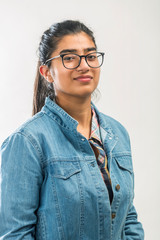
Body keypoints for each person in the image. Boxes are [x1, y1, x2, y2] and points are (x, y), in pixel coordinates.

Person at [0, 20, 144, 239]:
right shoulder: (28, 141)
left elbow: (128, 217)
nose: (84, 65)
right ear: (46, 72)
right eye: (69, 58)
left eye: (90, 56)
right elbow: (15, 234)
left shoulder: (117, 133)